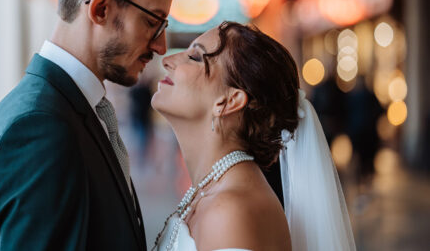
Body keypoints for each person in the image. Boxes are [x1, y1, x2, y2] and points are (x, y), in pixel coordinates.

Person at [0, 0, 190, 251]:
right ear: (101, 8)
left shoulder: (65, 108)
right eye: (152, 22)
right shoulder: (38, 128)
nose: (161, 46)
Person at [151, 22, 356, 251]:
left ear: (229, 101)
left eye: (195, 57)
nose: (167, 60)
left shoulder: (229, 211)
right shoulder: (217, 193)